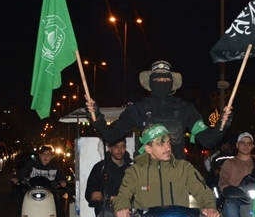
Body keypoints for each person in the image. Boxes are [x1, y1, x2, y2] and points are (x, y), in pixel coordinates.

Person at [86, 60, 231, 161]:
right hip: (146, 176)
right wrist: (95, 116)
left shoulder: (185, 108)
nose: (162, 83)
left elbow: (207, 140)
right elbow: (110, 135)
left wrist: (222, 124)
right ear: (150, 83)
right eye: (157, 79)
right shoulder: (138, 109)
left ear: (172, 83)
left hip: (177, 175)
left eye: (166, 80)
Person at [11, 145, 75, 217]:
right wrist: (17, 178)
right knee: (18, 198)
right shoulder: (33, 165)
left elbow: (61, 176)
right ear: (39, 155)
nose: (46, 157)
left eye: (48, 155)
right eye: (43, 154)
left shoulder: (55, 166)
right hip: (33, 193)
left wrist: (63, 181)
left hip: (50, 194)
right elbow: (23, 171)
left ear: (52, 156)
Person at [218, 132, 255, 217]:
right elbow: (223, 178)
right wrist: (226, 188)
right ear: (237, 145)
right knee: (230, 206)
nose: (246, 146)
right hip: (238, 198)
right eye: (242, 143)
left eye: (248, 143)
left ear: (252, 146)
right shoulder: (230, 163)